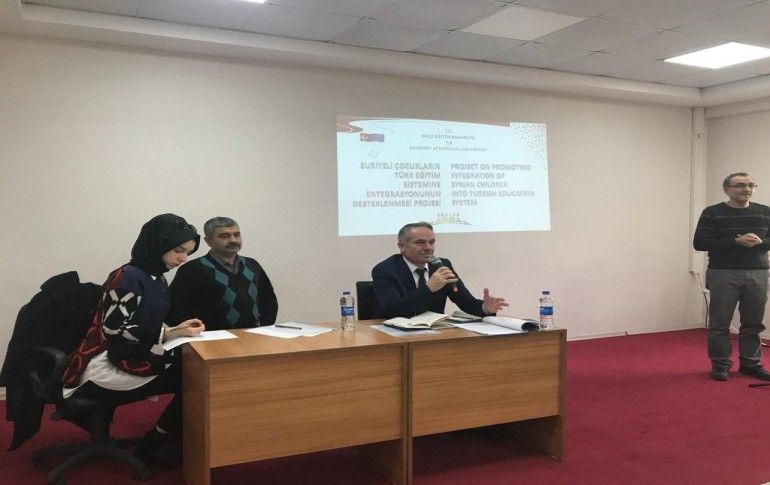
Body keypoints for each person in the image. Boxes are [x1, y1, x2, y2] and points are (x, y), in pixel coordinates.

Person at [61, 213, 204, 466]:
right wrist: (167, 333)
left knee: (195, 374)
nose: (183, 259)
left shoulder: (155, 276)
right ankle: (158, 440)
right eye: (178, 250)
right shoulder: (127, 277)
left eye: (188, 252)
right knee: (194, 381)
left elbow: (144, 321)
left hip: (128, 355)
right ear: (158, 244)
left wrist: (175, 329)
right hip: (103, 363)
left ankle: (165, 437)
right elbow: (114, 329)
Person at [694, 172, 770, 381]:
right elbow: (700, 242)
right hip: (723, 272)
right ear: (726, 189)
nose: (747, 189)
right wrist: (735, 241)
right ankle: (720, 365)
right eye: (740, 185)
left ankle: (751, 364)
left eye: (751, 185)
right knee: (720, 322)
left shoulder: (765, 212)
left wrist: (760, 242)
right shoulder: (712, 213)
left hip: (758, 272)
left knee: (754, 322)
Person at [372, 221, 508, 318]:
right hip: (394, 335)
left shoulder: (441, 265)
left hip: (434, 334)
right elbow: (392, 310)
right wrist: (429, 288)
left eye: (431, 242)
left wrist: (485, 308)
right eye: (420, 242)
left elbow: (465, 302)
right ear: (401, 246)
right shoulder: (385, 270)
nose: (428, 247)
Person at [167, 217, 277, 329]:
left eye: (236, 235)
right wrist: (193, 332)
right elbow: (172, 309)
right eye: (224, 236)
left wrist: (264, 330)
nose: (233, 240)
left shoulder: (252, 265)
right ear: (208, 241)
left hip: (252, 336)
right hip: (210, 338)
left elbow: (269, 301)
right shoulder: (192, 270)